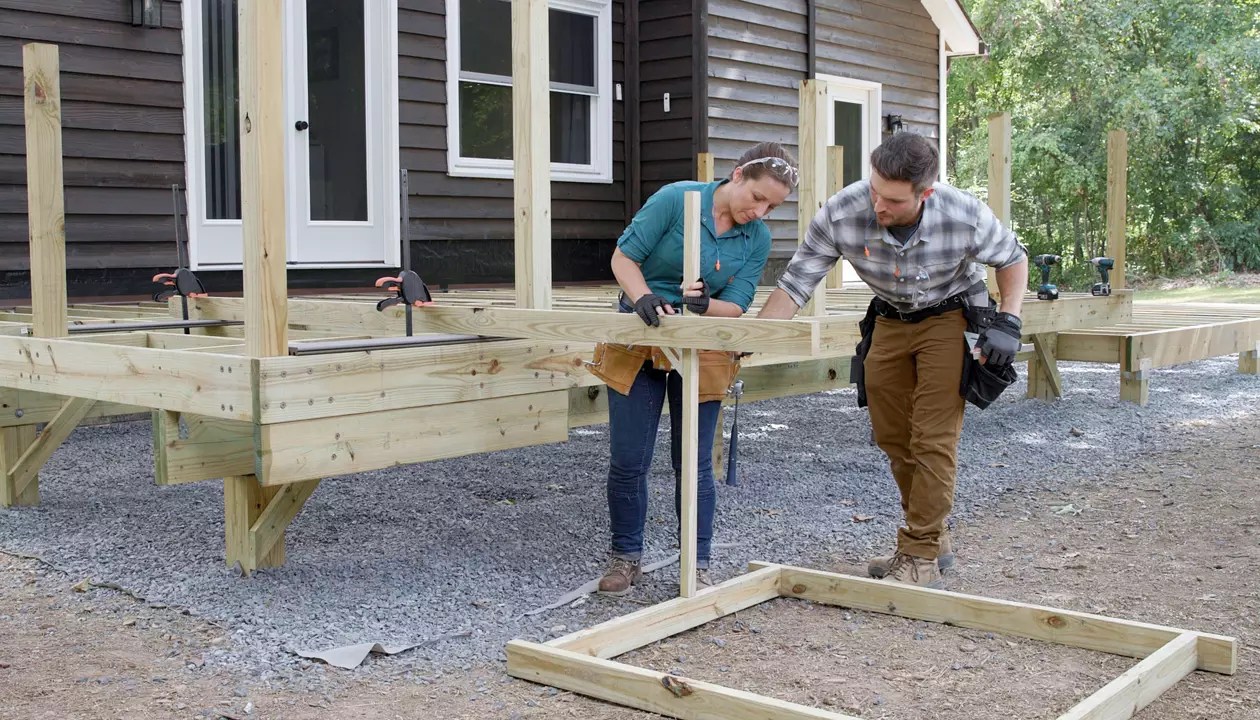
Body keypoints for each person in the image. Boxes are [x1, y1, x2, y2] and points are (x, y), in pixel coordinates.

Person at [756, 132, 1028, 589]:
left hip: (948, 316)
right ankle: (932, 536)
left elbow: (1013, 258)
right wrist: (751, 339)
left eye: (893, 200)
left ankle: (919, 552)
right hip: (888, 318)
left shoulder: (964, 214)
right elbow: (796, 282)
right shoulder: (843, 211)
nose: (878, 205)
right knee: (892, 435)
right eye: (875, 190)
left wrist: (1010, 320)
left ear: (926, 193)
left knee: (933, 438)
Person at [587, 142, 798, 596]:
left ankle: (697, 564)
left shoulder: (757, 238)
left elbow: (738, 306)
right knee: (628, 459)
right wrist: (643, 296)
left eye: (772, 206)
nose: (760, 211)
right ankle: (626, 557)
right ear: (738, 175)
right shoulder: (675, 199)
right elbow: (623, 258)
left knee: (695, 463)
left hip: (701, 344)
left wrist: (705, 306)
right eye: (757, 197)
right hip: (640, 335)